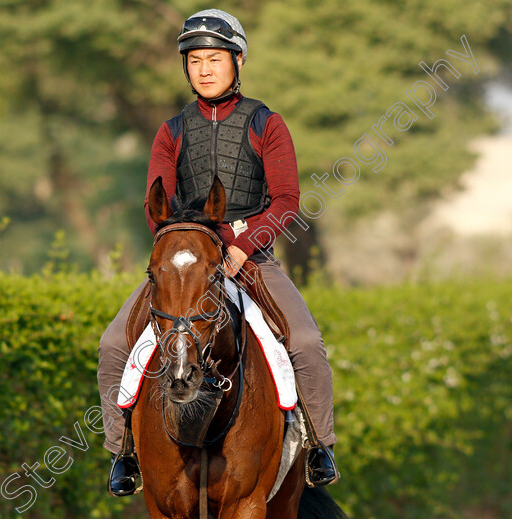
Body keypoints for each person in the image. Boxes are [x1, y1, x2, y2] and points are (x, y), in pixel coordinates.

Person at [97, 8, 339, 495]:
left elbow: (287, 201)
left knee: (307, 344)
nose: (204, 69)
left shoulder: (266, 124)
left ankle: (319, 446)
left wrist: (241, 246)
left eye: (215, 59)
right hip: (187, 260)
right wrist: (191, 244)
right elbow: (155, 206)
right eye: (195, 60)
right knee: (113, 345)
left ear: (238, 61)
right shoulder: (171, 131)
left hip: (253, 259)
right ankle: (122, 453)